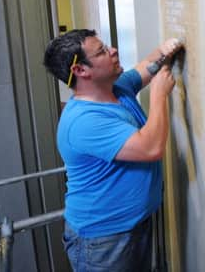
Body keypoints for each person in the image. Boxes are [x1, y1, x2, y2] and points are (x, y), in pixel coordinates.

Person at [43, 29, 183, 271]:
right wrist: (159, 94)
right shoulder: (83, 121)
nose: (113, 50)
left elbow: (145, 67)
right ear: (81, 70)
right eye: (102, 51)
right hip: (103, 241)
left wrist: (164, 51)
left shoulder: (116, 88)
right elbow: (151, 148)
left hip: (132, 225)